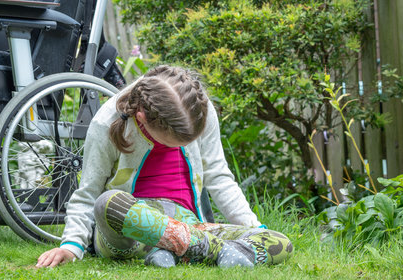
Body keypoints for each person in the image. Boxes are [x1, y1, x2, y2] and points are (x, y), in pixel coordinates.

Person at [36, 65, 293, 268]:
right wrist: (71, 246)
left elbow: (219, 176)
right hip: (130, 233)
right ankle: (205, 250)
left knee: (279, 242)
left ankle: (176, 250)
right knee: (108, 202)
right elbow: (88, 194)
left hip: (189, 225)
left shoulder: (197, 107)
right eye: (175, 142)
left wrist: (253, 228)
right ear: (142, 119)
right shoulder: (107, 123)